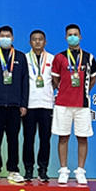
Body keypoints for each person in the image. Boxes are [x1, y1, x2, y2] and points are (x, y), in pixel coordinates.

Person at [50, 24, 96, 185]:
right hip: (62, 104)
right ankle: (63, 170)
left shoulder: (89, 57)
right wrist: (64, 90)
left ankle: (80, 171)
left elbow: (93, 78)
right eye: (70, 34)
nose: (72, 37)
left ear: (80, 37)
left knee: (82, 138)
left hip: (82, 104)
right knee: (63, 137)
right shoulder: (59, 57)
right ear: (66, 38)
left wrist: (83, 91)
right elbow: (55, 78)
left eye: (75, 34)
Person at [0, 25, 28, 184]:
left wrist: (23, 104)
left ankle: (13, 170)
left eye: (8, 36)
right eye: (2, 36)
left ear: (13, 38)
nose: (5, 38)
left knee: (13, 139)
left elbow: (24, 82)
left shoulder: (21, 57)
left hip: (15, 105)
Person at [23, 29, 55, 183]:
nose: (37, 42)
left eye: (40, 39)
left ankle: (43, 170)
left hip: (47, 105)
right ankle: (28, 169)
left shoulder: (52, 59)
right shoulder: (24, 58)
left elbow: (56, 81)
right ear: (30, 42)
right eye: (34, 39)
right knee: (28, 139)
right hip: (29, 105)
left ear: (45, 42)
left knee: (45, 140)